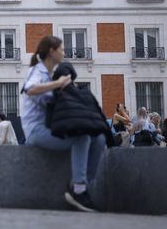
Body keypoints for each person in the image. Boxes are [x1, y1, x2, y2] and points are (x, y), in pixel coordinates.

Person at [21, 35, 105, 213]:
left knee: (99, 139)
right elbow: (30, 89)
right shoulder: (37, 71)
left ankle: (81, 186)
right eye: (61, 49)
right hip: (36, 131)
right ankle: (79, 190)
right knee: (81, 139)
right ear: (52, 52)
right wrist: (58, 83)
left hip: (51, 127)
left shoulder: (50, 74)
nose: (64, 53)